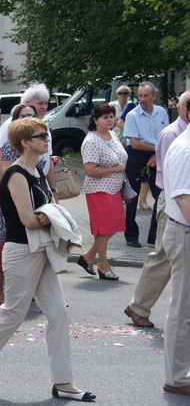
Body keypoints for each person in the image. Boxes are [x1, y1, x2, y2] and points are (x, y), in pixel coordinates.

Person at [0, 117, 96, 402]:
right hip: (21, 251)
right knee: (13, 313)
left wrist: (52, 213)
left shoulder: (36, 171)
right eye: (41, 136)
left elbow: (48, 211)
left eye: (46, 136)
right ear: (25, 142)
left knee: (58, 314)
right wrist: (50, 215)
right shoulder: (16, 174)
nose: (47, 140)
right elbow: (28, 220)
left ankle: (63, 382)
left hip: (42, 249)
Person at [124, 91, 190, 328]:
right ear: (183, 109)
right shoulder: (173, 134)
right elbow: (177, 181)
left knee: (164, 255)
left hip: (176, 200)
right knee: (162, 256)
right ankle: (138, 306)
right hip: (172, 201)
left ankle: (138, 306)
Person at [0, 104, 44, 305]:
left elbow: (46, 170)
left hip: (36, 198)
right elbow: (5, 173)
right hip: (14, 198)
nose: (28, 117)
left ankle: (37, 292)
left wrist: (52, 194)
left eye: (32, 114)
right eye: (24, 115)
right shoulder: (14, 146)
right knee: (6, 240)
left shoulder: (40, 140)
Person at [77, 104, 127, 280]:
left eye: (112, 116)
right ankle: (103, 266)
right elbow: (90, 171)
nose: (110, 119)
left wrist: (123, 182)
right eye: (105, 117)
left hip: (116, 188)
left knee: (114, 226)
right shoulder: (91, 141)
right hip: (99, 191)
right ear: (95, 120)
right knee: (104, 229)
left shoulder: (113, 135)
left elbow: (121, 162)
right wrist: (114, 170)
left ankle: (89, 256)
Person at [161, 122, 190, 397]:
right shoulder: (185, 148)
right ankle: (177, 377)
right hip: (184, 232)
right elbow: (184, 199)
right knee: (182, 310)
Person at [123, 82, 169, 248]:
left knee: (160, 195)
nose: (142, 99)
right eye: (140, 96)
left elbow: (165, 138)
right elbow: (134, 144)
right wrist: (158, 149)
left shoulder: (162, 112)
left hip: (156, 154)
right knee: (132, 197)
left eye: (146, 95)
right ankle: (131, 235)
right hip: (136, 155)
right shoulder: (132, 115)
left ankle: (154, 236)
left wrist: (157, 153)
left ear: (154, 96)